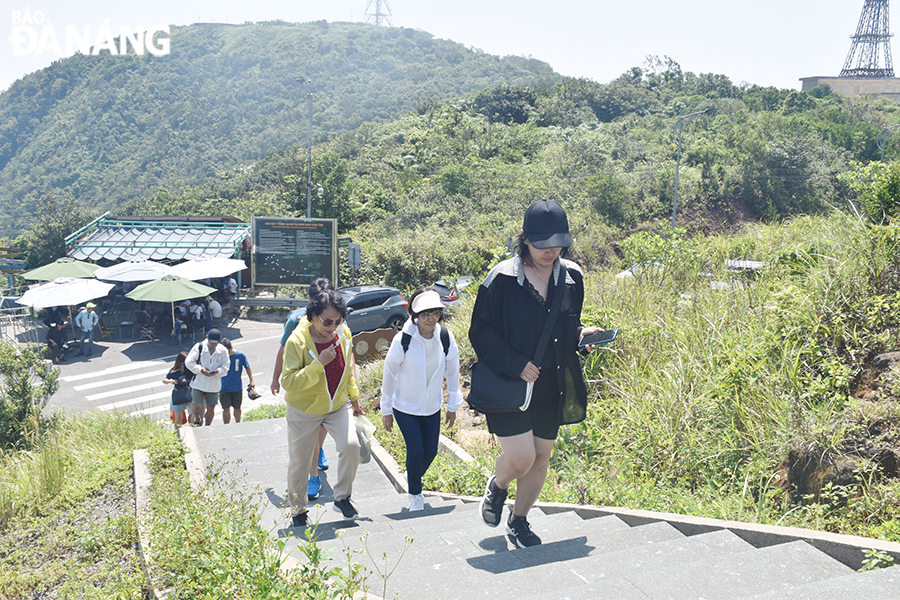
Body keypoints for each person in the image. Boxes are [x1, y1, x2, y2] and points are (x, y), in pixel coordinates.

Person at [468, 199, 603, 548]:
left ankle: (519, 520)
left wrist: (581, 336)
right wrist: (515, 364)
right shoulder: (501, 279)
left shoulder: (571, 276)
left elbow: (565, 327)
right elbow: (480, 332)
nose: (551, 251)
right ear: (525, 238)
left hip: (551, 384)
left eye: (558, 243)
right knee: (521, 457)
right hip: (509, 385)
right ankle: (498, 486)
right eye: (543, 244)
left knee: (542, 456)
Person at [281, 285, 363, 528]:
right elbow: (288, 383)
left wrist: (354, 397)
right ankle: (297, 509)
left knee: (351, 446)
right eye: (327, 321)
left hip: (337, 406)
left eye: (338, 321)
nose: (333, 327)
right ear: (313, 316)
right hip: (304, 410)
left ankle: (342, 497)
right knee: (301, 461)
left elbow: (348, 368)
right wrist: (318, 363)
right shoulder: (297, 341)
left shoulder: (343, 333)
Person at [381, 288, 463, 511]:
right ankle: (415, 495)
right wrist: (386, 409)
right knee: (416, 449)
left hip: (431, 407)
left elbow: (453, 371)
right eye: (425, 314)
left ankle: (412, 475)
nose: (431, 319)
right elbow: (389, 373)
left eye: (435, 313)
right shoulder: (403, 340)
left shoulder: (444, 337)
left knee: (431, 451)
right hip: (405, 406)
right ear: (415, 315)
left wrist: (453, 406)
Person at [271, 278, 334, 500]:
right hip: (307, 385)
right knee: (309, 435)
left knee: (321, 429)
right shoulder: (296, 320)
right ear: (309, 301)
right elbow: (283, 351)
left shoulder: (337, 319)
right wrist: (275, 379)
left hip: (332, 386)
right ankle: (312, 476)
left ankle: (319, 448)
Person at [185, 328, 230, 426]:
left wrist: (217, 371)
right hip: (199, 382)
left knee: (211, 407)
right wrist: (200, 369)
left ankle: (208, 426)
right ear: (207, 338)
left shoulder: (223, 350)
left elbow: (226, 367)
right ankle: (197, 417)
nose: (213, 344)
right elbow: (189, 362)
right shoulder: (199, 347)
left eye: (215, 343)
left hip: (214, 384)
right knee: (197, 406)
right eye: (211, 342)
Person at [219, 337, 255, 424]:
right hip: (224, 388)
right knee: (226, 409)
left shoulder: (240, 355)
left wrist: (251, 380)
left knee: (237, 408)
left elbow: (247, 367)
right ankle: (226, 426)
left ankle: (238, 424)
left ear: (231, 347)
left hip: (237, 388)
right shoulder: (220, 357)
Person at [163, 351, 194, 429]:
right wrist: (172, 381)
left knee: (195, 413)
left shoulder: (190, 369)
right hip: (179, 396)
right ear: (180, 363)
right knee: (178, 419)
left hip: (189, 395)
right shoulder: (174, 371)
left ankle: (193, 429)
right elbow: (164, 379)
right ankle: (177, 437)